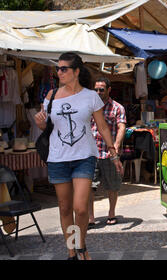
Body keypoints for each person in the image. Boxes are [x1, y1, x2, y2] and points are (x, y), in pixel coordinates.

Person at [34, 52, 123, 260]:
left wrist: (113, 153)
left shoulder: (90, 96)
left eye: (64, 68)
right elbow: (46, 125)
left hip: (84, 156)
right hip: (58, 158)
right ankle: (72, 251)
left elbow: (102, 126)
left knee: (80, 208)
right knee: (65, 209)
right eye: (57, 68)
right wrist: (40, 124)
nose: (59, 72)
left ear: (76, 71)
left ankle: (81, 244)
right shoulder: (51, 96)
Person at [88, 77, 126, 227]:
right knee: (90, 186)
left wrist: (116, 145)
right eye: (96, 89)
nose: (98, 92)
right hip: (91, 152)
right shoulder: (89, 107)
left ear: (109, 90)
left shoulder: (117, 108)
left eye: (101, 89)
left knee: (112, 186)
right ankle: (91, 217)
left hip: (109, 153)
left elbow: (121, 127)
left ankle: (111, 213)